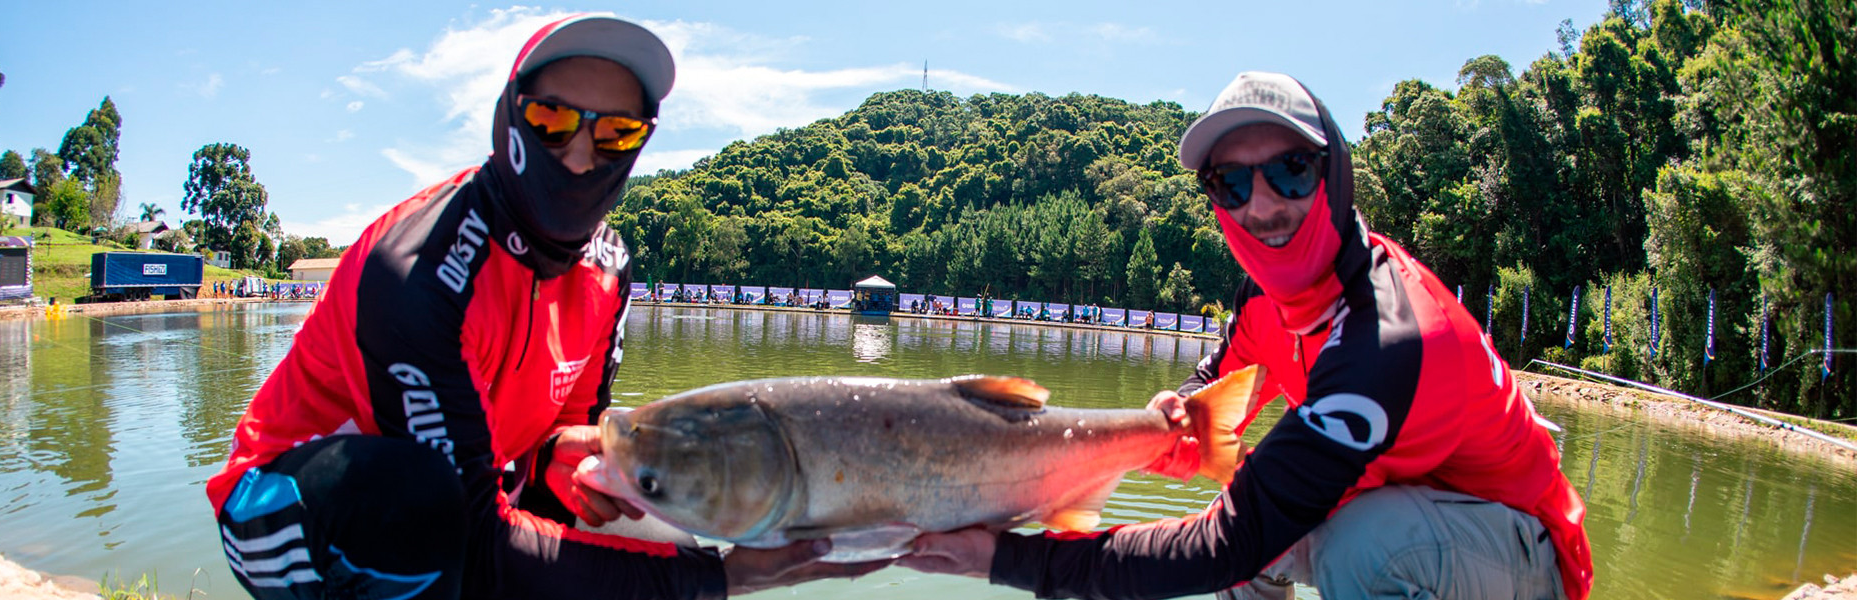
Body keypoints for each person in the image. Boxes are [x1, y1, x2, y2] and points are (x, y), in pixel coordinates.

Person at [207, 15, 882, 600]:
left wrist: (565, 457)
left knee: (645, 529)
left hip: (465, 497)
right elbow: (475, 539)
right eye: (552, 120)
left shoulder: (609, 269)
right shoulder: (416, 272)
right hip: (286, 506)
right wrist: (725, 578)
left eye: (616, 132)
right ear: (509, 120)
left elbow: (565, 442)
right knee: (419, 513)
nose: (582, 155)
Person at [898, 71, 1592, 599]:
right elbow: (1218, 382)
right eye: (1229, 183)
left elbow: (1225, 543)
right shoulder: (1266, 297)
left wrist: (1003, 559)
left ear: (1334, 176)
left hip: (1523, 550)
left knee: (1356, 546)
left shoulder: (1386, 342)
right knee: (1257, 519)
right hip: (1399, 503)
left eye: (1290, 169)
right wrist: (1174, 412)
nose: (1260, 205)